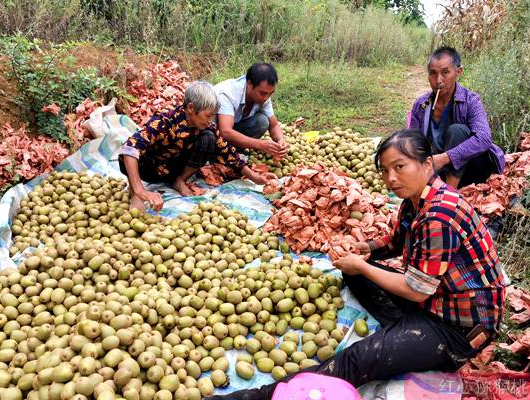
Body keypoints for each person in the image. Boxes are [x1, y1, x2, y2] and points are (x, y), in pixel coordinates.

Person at [208, 129, 506, 400]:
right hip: (435, 300)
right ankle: (403, 333)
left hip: (458, 327)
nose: (391, 178)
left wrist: (363, 266)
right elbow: (395, 243)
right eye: (385, 170)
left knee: (358, 358)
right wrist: (365, 250)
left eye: (399, 167)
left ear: (427, 164)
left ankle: (255, 397)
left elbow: (416, 290)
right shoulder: (417, 201)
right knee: (353, 274)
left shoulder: (438, 217)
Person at [118, 80, 276, 211]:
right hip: (150, 168)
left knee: (209, 139)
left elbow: (229, 154)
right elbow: (130, 147)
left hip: (172, 168)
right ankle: (134, 192)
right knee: (129, 156)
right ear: (191, 108)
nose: (210, 120)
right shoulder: (165, 121)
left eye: (213, 116)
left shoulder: (207, 127)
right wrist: (140, 189)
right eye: (208, 116)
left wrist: (254, 177)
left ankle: (179, 180)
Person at [410, 46, 505, 189]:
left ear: (458, 72)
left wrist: (445, 158)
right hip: (436, 170)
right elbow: (412, 140)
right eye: (433, 74)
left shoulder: (471, 101)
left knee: (457, 131)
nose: (438, 80)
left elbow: (484, 138)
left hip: (471, 170)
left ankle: (448, 195)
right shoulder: (421, 104)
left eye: (445, 72)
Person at [214, 63, 289, 159]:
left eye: (270, 94)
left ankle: (234, 151)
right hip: (210, 133)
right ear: (249, 83)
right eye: (263, 93)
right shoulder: (228, 94)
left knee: (262, 121)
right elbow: (225, 131)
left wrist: (281, 141)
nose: (266, 98)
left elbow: (274, 125)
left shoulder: (263, 95)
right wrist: (259, 144)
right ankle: (217, 155)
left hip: (233, 129)